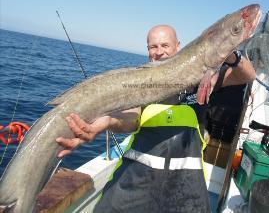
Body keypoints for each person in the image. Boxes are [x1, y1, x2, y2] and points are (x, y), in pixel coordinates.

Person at [56, 25, 256, 212]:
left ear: (178, 47)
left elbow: (247, 76)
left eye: (165, 45)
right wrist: (107, 122)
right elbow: (130, 120)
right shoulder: (142, 84)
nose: (159, 51)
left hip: (186, 186)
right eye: (153, 46)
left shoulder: (206, 78)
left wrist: (231, 55)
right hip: (136, 181)